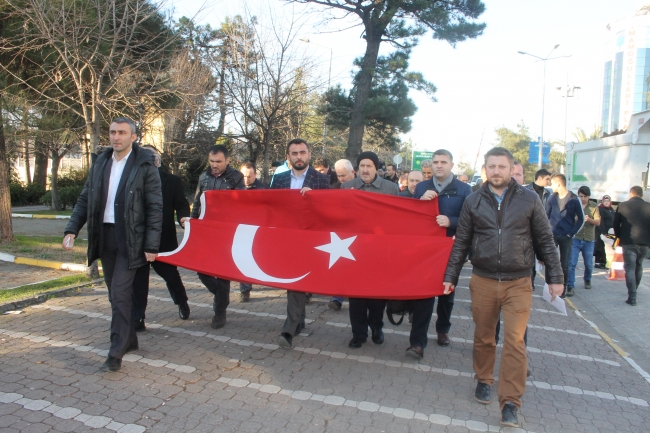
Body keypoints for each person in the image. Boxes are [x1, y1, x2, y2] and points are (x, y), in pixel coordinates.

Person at [443, 147, 563, 428]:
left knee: (515, 341)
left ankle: (510, 402)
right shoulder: (473, 201)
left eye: (502, 166)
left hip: (519, 282)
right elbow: (461, 242)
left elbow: (545, 239)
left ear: (511, 169)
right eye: (492, 166)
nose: (497, 171)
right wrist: (451, 275)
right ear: (485, 169)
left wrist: (556, 276)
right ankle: (484, 379)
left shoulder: (530, 199)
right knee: (484, 337)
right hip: (483, 280)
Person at [63, 117, 162, 372]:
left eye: (122, 133)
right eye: (112, 132)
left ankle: (115, 352)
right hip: (104, 237)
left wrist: (152, 245)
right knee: (115, 295)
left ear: (133, 137)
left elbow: (155, 208)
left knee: (119, 294)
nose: (116, 137)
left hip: (131, 240)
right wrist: (72, 228)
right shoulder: (100, 163)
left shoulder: (144, 165)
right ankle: (129, 338)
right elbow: (86, 198)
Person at [412, 149, 472, 354]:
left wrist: (451, 221)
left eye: (443, 162)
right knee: (424, 293)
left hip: (451, 249)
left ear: (451, 165)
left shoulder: (464, 190)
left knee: (447, 293)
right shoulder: (421, 187)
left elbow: (471, 220)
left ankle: (442, 329)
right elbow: (412, 217)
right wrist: (420, 201)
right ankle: (417, 342)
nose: (439, 165)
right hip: (427, 249)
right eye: (436, 162)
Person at [273, 138, 330, 348]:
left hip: (311, 240)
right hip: (287, 240)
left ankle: (288, 330)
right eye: (294, 153)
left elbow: (329, 212)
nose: (299, 157)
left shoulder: (322, 181)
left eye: (302, 152)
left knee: (296, 282)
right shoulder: (278, 179)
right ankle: (297, 321)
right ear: (288, 157)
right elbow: (271, 208)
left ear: (309, 155)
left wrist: (315, 201)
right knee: (294, 282)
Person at [132, 146, 191, 331]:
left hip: (163, 239)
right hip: (138, 239)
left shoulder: (172, 181)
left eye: (151, 157)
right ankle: (138, 317)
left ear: (158, 160)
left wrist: (182, 217)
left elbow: (181, 204)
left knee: (170, 276)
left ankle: (182, 301)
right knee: (139, 282)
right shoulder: (132, 179)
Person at [343, 151, 399, 348]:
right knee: (356, 295)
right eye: (362, 166)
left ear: (376, 168)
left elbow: (397, 219)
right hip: (353, 250)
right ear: (357, 169)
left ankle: (377, 327)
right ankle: (358, 333)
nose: (365, 170)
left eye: (369, 166)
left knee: (377, 295)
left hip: (380, 252)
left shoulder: (391, 189)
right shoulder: (346, 187)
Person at [191, 145, 245, 328]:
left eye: (218, 162)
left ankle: (219, 312)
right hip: (206, 232)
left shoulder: (236, 178)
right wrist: (193, 224)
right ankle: (222, 296)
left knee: (222, 274)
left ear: (227, 160)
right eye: (212, 161)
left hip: (226, 233)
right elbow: (197, 202)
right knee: (201, 269)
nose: (214, 165)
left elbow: (242, 205)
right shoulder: (204, 177)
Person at [546, 174, 584, 298]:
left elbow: (581, 219)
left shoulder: (573, 199)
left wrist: (571, 233)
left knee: (564, 264)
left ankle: (563, 288)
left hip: (566, 236)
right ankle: (549, 287)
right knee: (550, 261)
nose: (551, 186)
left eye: (552, 183)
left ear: (558, 184)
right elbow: (546, 215)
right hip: (553, 233)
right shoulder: (552, 198)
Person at [613, 186, 650, 306]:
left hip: (628, 242)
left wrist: (619, 236)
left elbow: (615, 224)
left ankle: (632, 296)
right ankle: (635, 289)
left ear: (631, 194)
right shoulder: (649, 206)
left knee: (629, 268)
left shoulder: (623, 205)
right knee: (639, 266)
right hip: (644, 243)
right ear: (642, 194)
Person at [328, 159, 356, 310]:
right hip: (342, 233)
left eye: (344, 175)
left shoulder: (361, 186)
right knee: (341, 265)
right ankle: (337, 297)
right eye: (338, 176)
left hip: (361, 233)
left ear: (353, 172)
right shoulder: (335, 188)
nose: (341, 179)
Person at [238, 162, 268, 301]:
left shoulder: (263, 189)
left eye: (249, 176)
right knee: (244, 257)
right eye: (243, 176)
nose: (246, 179)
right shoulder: (235, 187)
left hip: (258, 229)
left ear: (255, 174)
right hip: (241, 229)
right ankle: (245, 289)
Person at [567, 186, 601, 292]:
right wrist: (576, 219)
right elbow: (568, 219)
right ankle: (570, 286)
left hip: (588, 239)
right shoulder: (574, 204)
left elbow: (598, 222)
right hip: (576, 238)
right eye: (580, 196)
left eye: (584, 196)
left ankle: (587, 279)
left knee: (589, 263)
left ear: (589, 196)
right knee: (572, 263)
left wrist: (589, 219)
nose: (582, 199)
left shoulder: (594, 206)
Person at [594, 195, 615, 269]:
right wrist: (604, 231)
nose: (606, 202)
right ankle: (598, 262)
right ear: (602, 202)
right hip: (602, 231)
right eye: (605, 201)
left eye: (608, 201)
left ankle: (604, 261)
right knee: (600, 246)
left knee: (607, 247)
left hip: (610, 232)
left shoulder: (611, 209)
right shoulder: (600, 209)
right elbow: (601, 221)